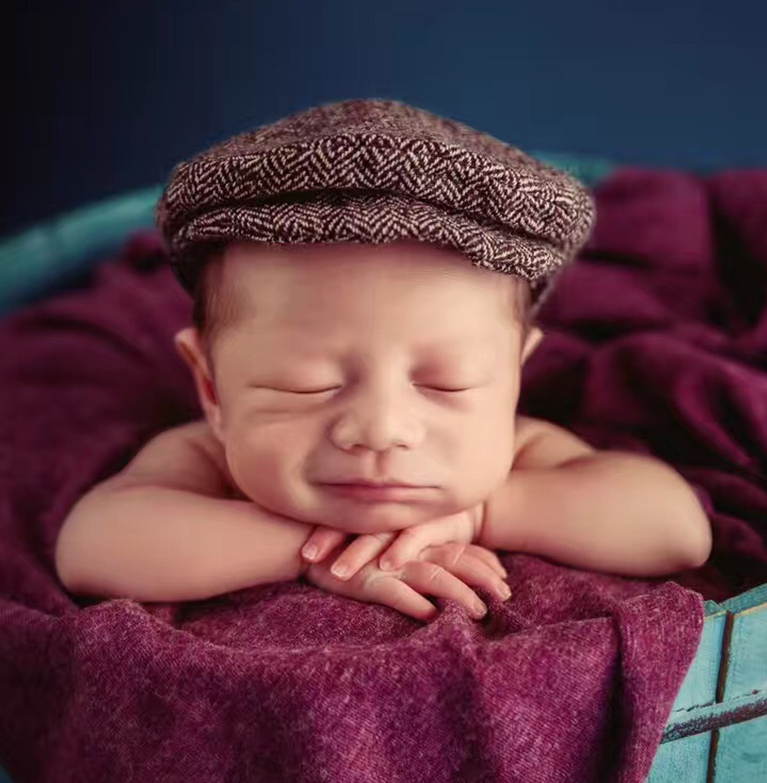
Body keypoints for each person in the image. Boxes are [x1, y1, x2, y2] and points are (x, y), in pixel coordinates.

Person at [54, 99, 712, 622]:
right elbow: (94, 547)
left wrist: (485, 513)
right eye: (304, 385)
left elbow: (675, 530)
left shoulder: (519, 452)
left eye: (446, 382)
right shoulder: (205, 457)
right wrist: (312, 550)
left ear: (513, 378)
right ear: (212, 389)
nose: (379, 428)